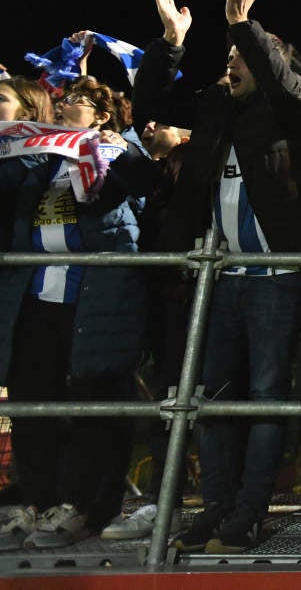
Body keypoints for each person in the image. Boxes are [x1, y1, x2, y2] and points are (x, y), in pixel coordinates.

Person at [134, 0, 301, 554]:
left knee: (266, 398)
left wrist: (244, 25)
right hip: (218, 279)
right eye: (227, 56)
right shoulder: (215, 105)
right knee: (209, 396)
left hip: (275, 281)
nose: (230, 65)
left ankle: (249, 510)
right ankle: (215, 506)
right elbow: (151, 105)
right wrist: (170, 43)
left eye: (242, 59)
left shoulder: (294, 110)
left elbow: (282, 84)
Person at [0, 76, 156, 549]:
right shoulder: (37, 161)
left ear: (102, 117)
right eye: (63, 99)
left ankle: (83, 506)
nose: (66, 105)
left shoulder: (113, 155)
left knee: (93, 406)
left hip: (95, 303)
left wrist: (120, 149)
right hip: (36, 300)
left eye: (78, 102)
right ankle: (38, 503)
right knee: (33, 404)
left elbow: (145, 182)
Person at [100, 119, 193, 541]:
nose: (150, 125)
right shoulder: (146, 173)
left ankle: (167, 502)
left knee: (176, 398)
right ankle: (152, 500)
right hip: (150, 296)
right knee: (157, 399)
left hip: (184, 298)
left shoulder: (189, 162)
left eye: (163, 120)